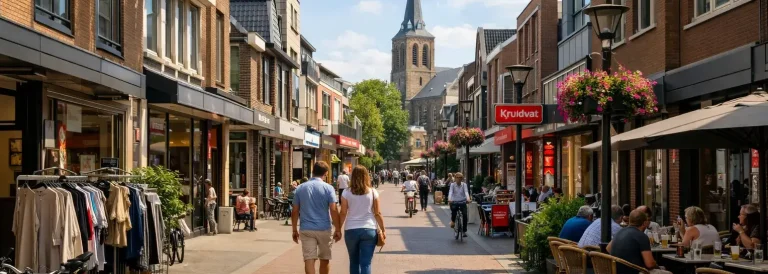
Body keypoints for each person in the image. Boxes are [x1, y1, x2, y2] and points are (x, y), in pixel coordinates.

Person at [291, 161, 342, 274]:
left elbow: (295, 211)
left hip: (306, 228)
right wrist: (338, 229)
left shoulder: (300, 188)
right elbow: (333, 210)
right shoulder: (329, 188)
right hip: (324, 228)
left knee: (309, 259)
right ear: (326, 173)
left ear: (312, 171)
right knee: (325, 259)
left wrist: (294, 229)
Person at [339, 166, 386, 274]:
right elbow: (377, 213)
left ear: (352, 176)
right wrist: (383, 229)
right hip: (369, 230)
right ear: (366, 176)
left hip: (351, 230)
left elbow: (343, 213)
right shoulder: (373, 192)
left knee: (354, 262)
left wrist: (338, 229)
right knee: (366, 263)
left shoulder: (346, 192)